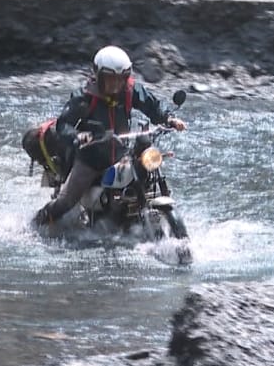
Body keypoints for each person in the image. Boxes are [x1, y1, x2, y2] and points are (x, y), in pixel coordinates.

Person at [33, 45, 187, 229]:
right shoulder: (84, 97)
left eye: (121, 79)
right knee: (66, 201)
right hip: (90, 158)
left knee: (146, 170)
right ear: (98, 76)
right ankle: (37, 223)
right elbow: (64, 124)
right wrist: (77, 137)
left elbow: (152, 105)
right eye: (110, 79)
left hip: (120, 154)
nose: (116, 84)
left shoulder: (130, 91)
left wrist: (169, 118)